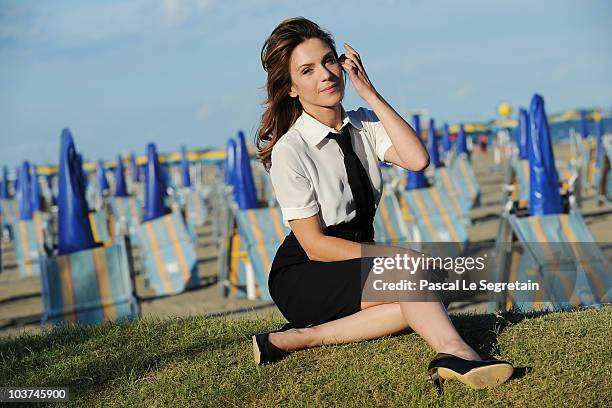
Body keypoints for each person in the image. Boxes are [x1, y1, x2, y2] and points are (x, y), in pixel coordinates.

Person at [253, 17, 513, 392]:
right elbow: (314, 245)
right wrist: (395, 256)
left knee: (422, 300)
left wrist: (370, 94)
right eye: (307, 70)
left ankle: (295, 339)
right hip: (307, 271)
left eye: (329, 61)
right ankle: (453, 352)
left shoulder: (364, 125)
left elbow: (417, 159)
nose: (325, 74)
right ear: (291, 88)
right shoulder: (290, 151)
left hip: (355, 259)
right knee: (414, 278)